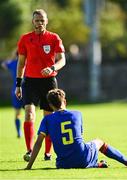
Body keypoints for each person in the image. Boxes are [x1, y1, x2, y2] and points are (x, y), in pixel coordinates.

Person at [25, 88, 127, 170]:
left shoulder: (47, 119)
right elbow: (80, 135)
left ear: (50, 105)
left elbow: (38, 143)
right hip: (82, 158)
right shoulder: (77, 114)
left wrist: (29, 166)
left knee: (77, 152)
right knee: (99, 142)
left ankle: (96, 164)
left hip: (62, 164)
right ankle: (126, 161)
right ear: (64, 101)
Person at [15, 9, 66, 161]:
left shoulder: (54, 38)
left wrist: (52, 68)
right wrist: (18, 84)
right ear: (33, 22)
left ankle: (47, 152)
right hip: (30, 81)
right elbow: (21, 63)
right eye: (37, 20)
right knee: (29, 113)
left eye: (42, 20)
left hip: (49, 81)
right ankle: (30, 150)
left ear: (46, 21)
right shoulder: (25, 39)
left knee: (48, 118)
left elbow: (62, 60)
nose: (39, 23)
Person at [0, 50, 23, 138]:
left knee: (17, 113)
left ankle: (19, 131)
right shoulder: (26, 62)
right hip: (25, 90)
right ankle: (26, 132)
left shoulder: (13, 62)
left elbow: (3, 64)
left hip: (16, 90)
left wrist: (12, 56)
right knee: (30, 113)